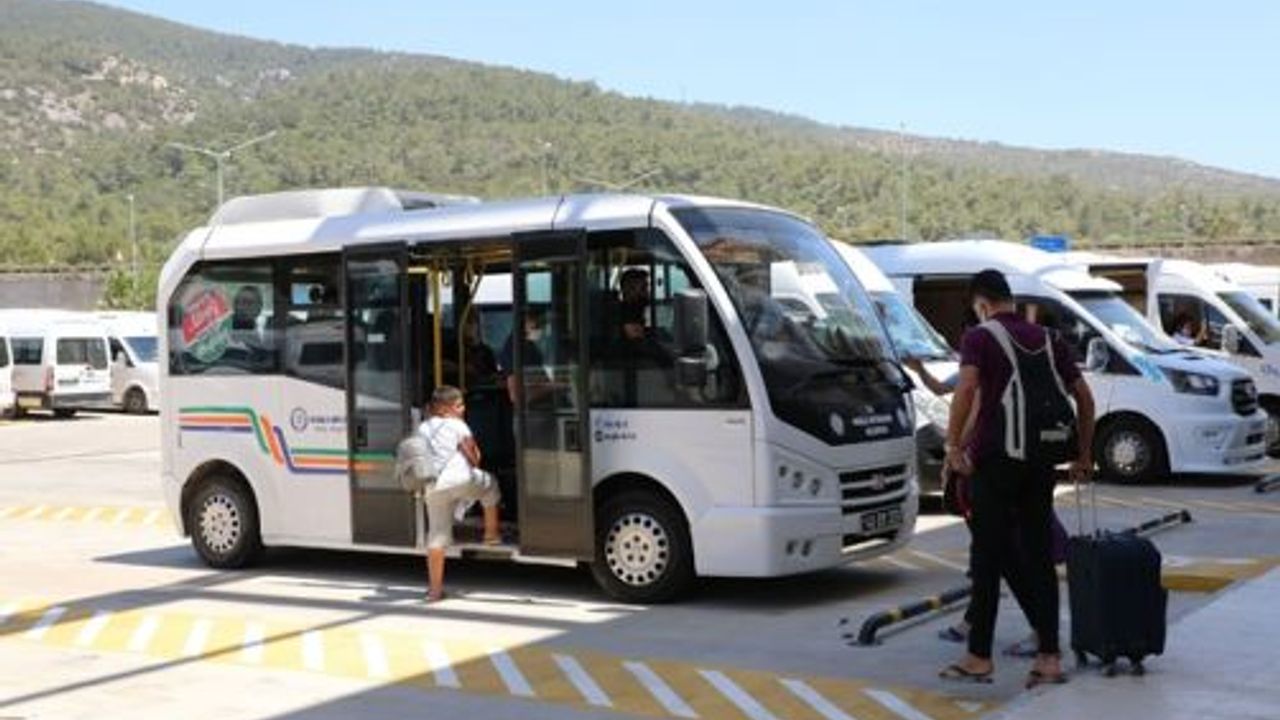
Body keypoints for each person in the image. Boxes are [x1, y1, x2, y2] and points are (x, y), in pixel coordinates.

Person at [940, 269, 1095, 688]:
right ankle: (1049, 658)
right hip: (1041, 462)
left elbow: (966, 390)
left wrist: (954, 446)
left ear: (982, 304)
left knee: (988, 558)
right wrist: (1083, 453)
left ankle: (978, 657)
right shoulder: (1047, 338)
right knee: (1040, 558)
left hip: (995, 462)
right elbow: (1083, 396)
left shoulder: (980, 337)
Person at [419, 385, 501, 602]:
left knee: (436, 537)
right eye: (459, 405)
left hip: (432, 486)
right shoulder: (458, 425)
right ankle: (491, 535)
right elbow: (474, 458)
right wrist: (475, 454)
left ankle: (435, 591)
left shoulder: (423, 428)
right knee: (490, 485)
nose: (463, 408)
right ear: (445, 409)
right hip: (458, 480)